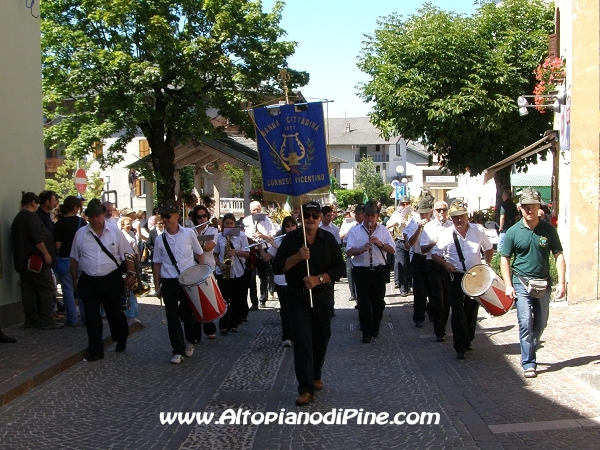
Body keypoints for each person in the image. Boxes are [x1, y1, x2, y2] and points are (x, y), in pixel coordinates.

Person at [272, 202, 345, 406]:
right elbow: (277, 267)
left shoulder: (328, 239)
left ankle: (316, 374)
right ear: (300, 218)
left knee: (321, 337)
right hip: (297, 297)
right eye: (307, 215)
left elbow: (339, 268)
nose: (310, 219)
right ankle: (305, 388)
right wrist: (296, 257)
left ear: (320, 218)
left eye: (315, 215)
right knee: (303, 341)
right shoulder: (290, 240)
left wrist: (319, 279)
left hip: (321, 296)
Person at [500, 187, 566, 379]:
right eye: (526, 206)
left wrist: (562, 282)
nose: (530, 210)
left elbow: (558, 255)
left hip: (543, 283)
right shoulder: (513, 232)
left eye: (533, 206)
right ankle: (529, 362)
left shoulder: (548, 230)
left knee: (541, 322)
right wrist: (508, 284)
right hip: (521, 281)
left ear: (539, 207)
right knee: (525, 322)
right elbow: (505, 258)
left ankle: (530, 348)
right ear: (520, 208)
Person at [70, 199, 136, 361]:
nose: (95, 220)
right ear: (87, 218)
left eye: (98, 216)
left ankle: (121, 337)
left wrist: (131, 274)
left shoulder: (114, 232)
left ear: (103, 215)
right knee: (92, 316)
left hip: (111, 278)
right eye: (92, 216)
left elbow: (127, 254)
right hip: (89, 280)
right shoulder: (81, 234)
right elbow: (74, 258)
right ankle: (96, 350)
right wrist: (74, 280)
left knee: (114, 312)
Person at [432, 199, 494, 360]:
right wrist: (446, 265)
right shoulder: (446, 234)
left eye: (461, 216)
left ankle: (468, 339)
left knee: (471, 310)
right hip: (455, 276)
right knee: (457, 311)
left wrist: (487, 264)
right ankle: (460, 346)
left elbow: (488, 248)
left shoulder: (478, 231)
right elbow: (435, 254)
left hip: (475, 275)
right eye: (455, 217)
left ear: (467, 216)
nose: (458, 220)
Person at [152, 200, 205, 364]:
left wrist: (201, 275)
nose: (165, 220)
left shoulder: (189, 234)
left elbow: (199, 253)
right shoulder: (160, 240)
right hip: (169, 281)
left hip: (188, 281)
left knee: (188, 315)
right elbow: (157, 263)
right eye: (163, 217)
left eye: (168, 216)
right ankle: (177, 350)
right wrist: (157, 285)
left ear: (176, 216)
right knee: (172, 316)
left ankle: (190, 340)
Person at [11, 192, 62, 330]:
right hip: (36, 261)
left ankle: (31, 319)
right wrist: (46, 253)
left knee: (28, 290)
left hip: (22, 261)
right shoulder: (31, 217)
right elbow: (37, 237)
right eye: (36, 203)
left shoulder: (18, 218)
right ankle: (46, 319)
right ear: (33, 202)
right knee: (47, 288)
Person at [346, 200, 395, 343]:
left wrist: (380, 244)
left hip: (378, 271)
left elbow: (392, 250)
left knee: (378, 303)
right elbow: (349, 251)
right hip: (361, 271)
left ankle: (375, 326)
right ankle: (366, 332)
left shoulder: (383, 230)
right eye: (367, 215)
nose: (369, 218)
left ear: (377, 216)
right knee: (363, 303)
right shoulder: (355, 231)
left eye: (372, 215)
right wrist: (361, 249)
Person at [257, 215, 298, 347]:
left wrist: (274, 243)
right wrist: (259, 247)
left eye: (293, 225)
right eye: (288, 226)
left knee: (297, 309)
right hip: (281, 280)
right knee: (285, 309)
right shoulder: (280, 241)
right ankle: (287, 336)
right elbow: (266, 258)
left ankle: (298, 334)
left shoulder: (299, 241)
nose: (291, 228)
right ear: (284, 228)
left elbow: (292, 256)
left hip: (296, 279)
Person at [421, 200, 453, 342]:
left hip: (448, 264)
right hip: (433, 264)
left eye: (444, 210)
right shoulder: (428, 227)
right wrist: (433, 242)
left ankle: (442, 326)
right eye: (439, 210)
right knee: (438, 298)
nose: (441, 213)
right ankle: (439, 331)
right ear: (434, 211)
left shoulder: (452, 226)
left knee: (446, 299)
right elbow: (422, 250)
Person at [54, 196, 87, 326]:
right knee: (82, 288)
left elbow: (57, 245)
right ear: (75, 208)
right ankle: (86, 317)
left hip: (64, 258)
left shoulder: (59, 224)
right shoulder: (82, 223)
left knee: (67, 289)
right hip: (80, 259)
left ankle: (72, 319)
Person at [215, 213, 250, 335]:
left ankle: (234, 323)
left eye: (231, 223)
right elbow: (215, 253)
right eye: (227, 223)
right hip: (223, 271)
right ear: (223, 225)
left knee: (236, 299)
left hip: (237, 271)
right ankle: (223, 325)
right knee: (224, 299)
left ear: (235, 224)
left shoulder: (241, 236)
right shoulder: (219, 237)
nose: (229, 225)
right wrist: (219, 264)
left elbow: (247, 253)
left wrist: (237, 252)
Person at [404, 198, 434, 328]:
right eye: (421, 213)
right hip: (418, 257)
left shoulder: (435, 222)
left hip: (432, 258)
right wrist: (419, 228)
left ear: (430, 212)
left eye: (426, 213)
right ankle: (419, 317)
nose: (423, 216)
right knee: (419, 289)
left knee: (433, 288)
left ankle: (433, 313)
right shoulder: (414, 220)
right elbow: (410, 242)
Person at [191, 204, 219, 339]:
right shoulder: (191, 232)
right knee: (195, 298)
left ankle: (210, 328)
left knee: (208, 297)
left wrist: (196, 244)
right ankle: (195, 333)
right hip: (193, 267)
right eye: (199, 217)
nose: (202, 219)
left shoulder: (212, 231)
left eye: (204, 216)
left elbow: (208, 247)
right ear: (195, 219)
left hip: (208, 267)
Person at [243, 201, 276, 309]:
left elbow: (273, 234)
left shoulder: (267, 220)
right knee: (252, 277)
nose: (256, 212)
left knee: (263, 276)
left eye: (258, 209)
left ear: (260, 209)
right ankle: (254, 302)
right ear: (250, 210)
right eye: (253, 210)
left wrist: (263, 236)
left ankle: (263, 298)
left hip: (264, 249)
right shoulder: (245, 221)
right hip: (251, 250)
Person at [386, 197, 413, 296]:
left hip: (410, 241)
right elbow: (388, 224)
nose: (405, 206)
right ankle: (403, 288)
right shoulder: (396, 214)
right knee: (401, 264)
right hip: (400, 241)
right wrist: (398, 222)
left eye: (407, 204)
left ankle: (409, 286)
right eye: (403, 204)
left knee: (410, 265)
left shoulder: (413, 214)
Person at [339, 204, 365, 302]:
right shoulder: (352, 227)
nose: (355, 216)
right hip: (352, 253)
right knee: (351, 273)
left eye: (357, 213)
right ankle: (355, 295)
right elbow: (343, 238)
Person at [119, 216, 141, 323]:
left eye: (130, 223)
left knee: (132, 289)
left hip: (134, 262)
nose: (130, 225)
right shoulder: (121, 234)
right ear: (122, 225)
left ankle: (132, 313)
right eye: (127, 224)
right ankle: (130, 313)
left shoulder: (131, 233)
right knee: (128, 288)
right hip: (126, 264)